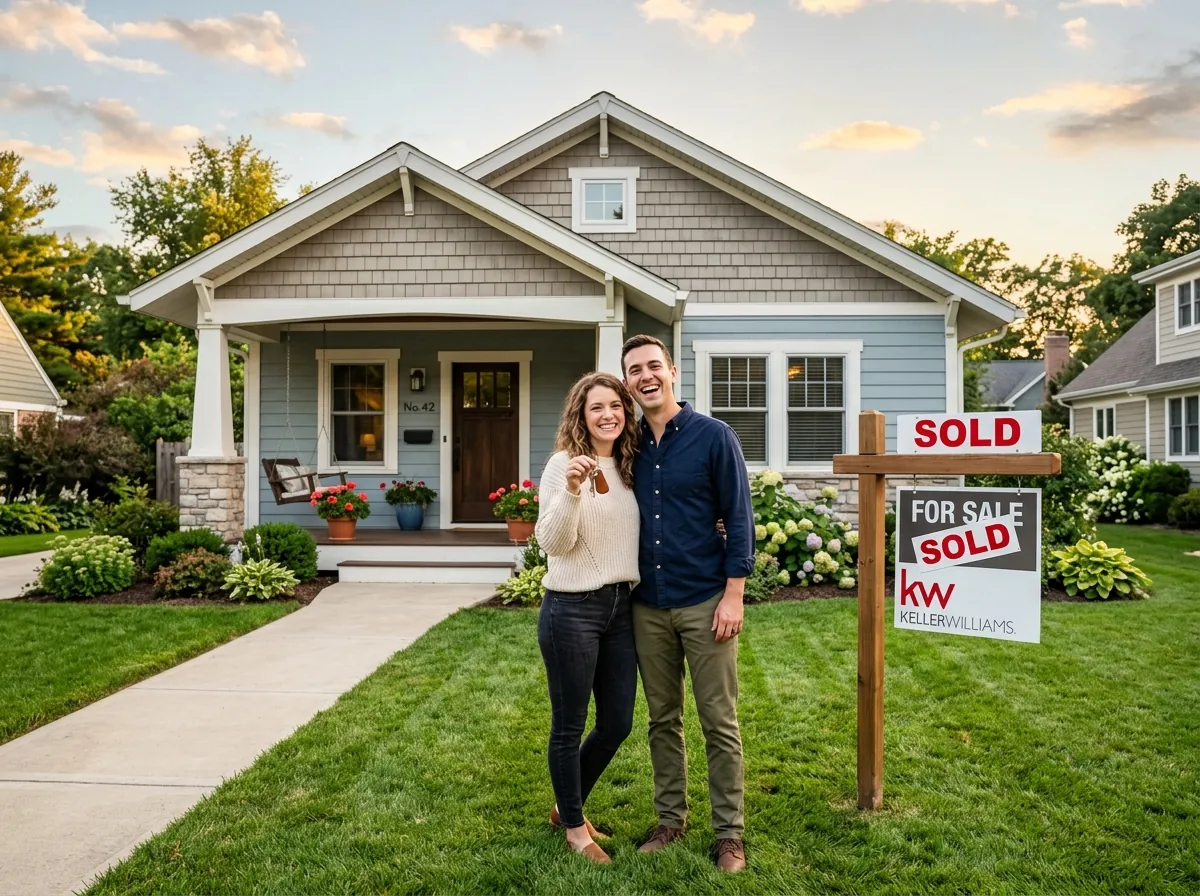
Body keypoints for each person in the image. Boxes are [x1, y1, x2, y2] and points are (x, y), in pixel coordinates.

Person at [620, 333, 755, 874]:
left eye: (653, 366)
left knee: (718, 721)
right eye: (635, 370)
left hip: (705, 599)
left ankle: (729, 835)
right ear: (627, 381)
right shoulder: (626, 445)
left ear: (672, 371)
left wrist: (733, 595)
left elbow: (739, 517)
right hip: (647, 605)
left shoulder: (714, 437)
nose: (646, 376)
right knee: (662, 720)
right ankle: (670, 821)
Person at [534, 371, 643, 865]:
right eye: (596, 407)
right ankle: (575, 828)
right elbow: (553, 543)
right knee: (569, 725)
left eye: (616, 406)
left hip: (622, 608)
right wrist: (573, 491)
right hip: (572, 609)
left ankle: (565, 806)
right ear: (581, 414)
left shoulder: (630, 465)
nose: (608, 415)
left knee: (618, 722)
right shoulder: (563, 465)